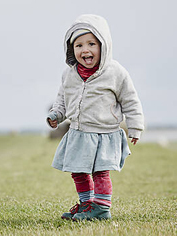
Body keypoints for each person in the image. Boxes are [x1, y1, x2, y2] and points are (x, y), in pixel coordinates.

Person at [46, 14, 144, 221]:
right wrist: (56, 114)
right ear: (71, 49)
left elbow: (130, 101)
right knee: (78, 171)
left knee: (100, 172)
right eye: (79, 45)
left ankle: (101, 208)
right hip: (79, 133)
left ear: (104, 46)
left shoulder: (115, 72)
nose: (85, 50)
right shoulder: (69, 74)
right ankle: (87, 204)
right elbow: (63, 100)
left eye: (91, 43)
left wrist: (135, 127)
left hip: (104, 134)